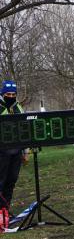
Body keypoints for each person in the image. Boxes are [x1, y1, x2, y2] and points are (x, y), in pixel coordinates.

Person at [0, 80, 28, 212]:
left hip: (16, 151)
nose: (11, 97)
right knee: (1, 182)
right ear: (3, 93)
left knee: (11, 181)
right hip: (2, 151)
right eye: (8, 94)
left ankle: (5, 211)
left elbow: (24, 130)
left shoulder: (18, 108)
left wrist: (25, 152)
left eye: (13, 94)